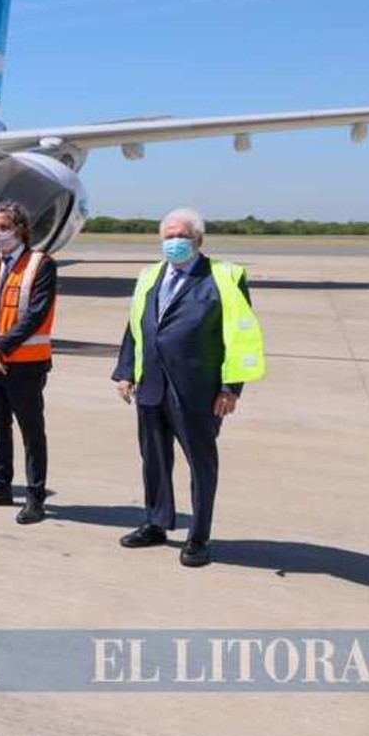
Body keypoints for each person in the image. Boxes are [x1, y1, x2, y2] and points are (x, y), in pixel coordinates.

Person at [112, 207, 264, 568]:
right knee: (154, 459)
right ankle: (156, 521)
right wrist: (125, 371)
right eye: (168, 236)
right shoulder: (150, 275)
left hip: (198, 389)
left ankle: (198, 536)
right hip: (151, 385)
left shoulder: (224, 276)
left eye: (181, 236)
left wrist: (230, 387)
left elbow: (239, 335)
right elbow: (136, 325)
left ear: (198, 239)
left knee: (201, 464)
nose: (174, 242)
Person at [0, 201, 58, 525]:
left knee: (32, 432)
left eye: (4, 226)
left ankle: (35, 497)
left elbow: (36, 314)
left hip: (26, 365)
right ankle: (0, 487)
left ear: (20, 229)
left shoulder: (41, 264)